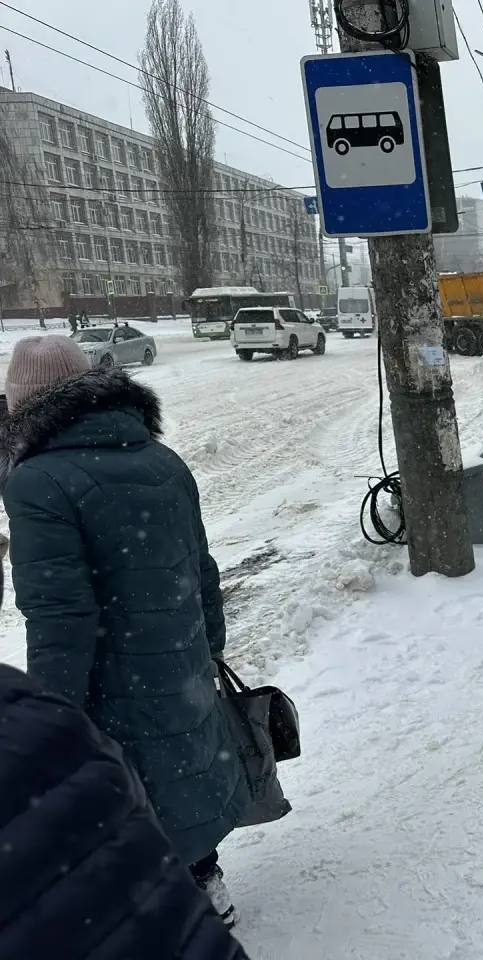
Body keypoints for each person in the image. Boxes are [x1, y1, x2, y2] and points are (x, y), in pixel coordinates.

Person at [1, 335, 249, 926]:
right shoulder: (162, 460)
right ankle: (205, 880)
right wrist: (207, 648)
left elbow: (59, 615)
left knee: (119, 782)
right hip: (176, 657)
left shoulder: (37, 482)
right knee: (179, 768)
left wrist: (52, 712)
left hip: (110, 673)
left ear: (23, 403)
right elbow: (202, 569)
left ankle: (151, 908)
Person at [0, 662, 252, 958]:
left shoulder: (27, 712)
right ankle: (205, 874)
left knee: (157, 799)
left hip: (125, 695)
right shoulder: (21, 701)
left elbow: (61, 636)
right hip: (171, 676)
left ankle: (202, 875)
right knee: (175, 789)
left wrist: (60, 707)